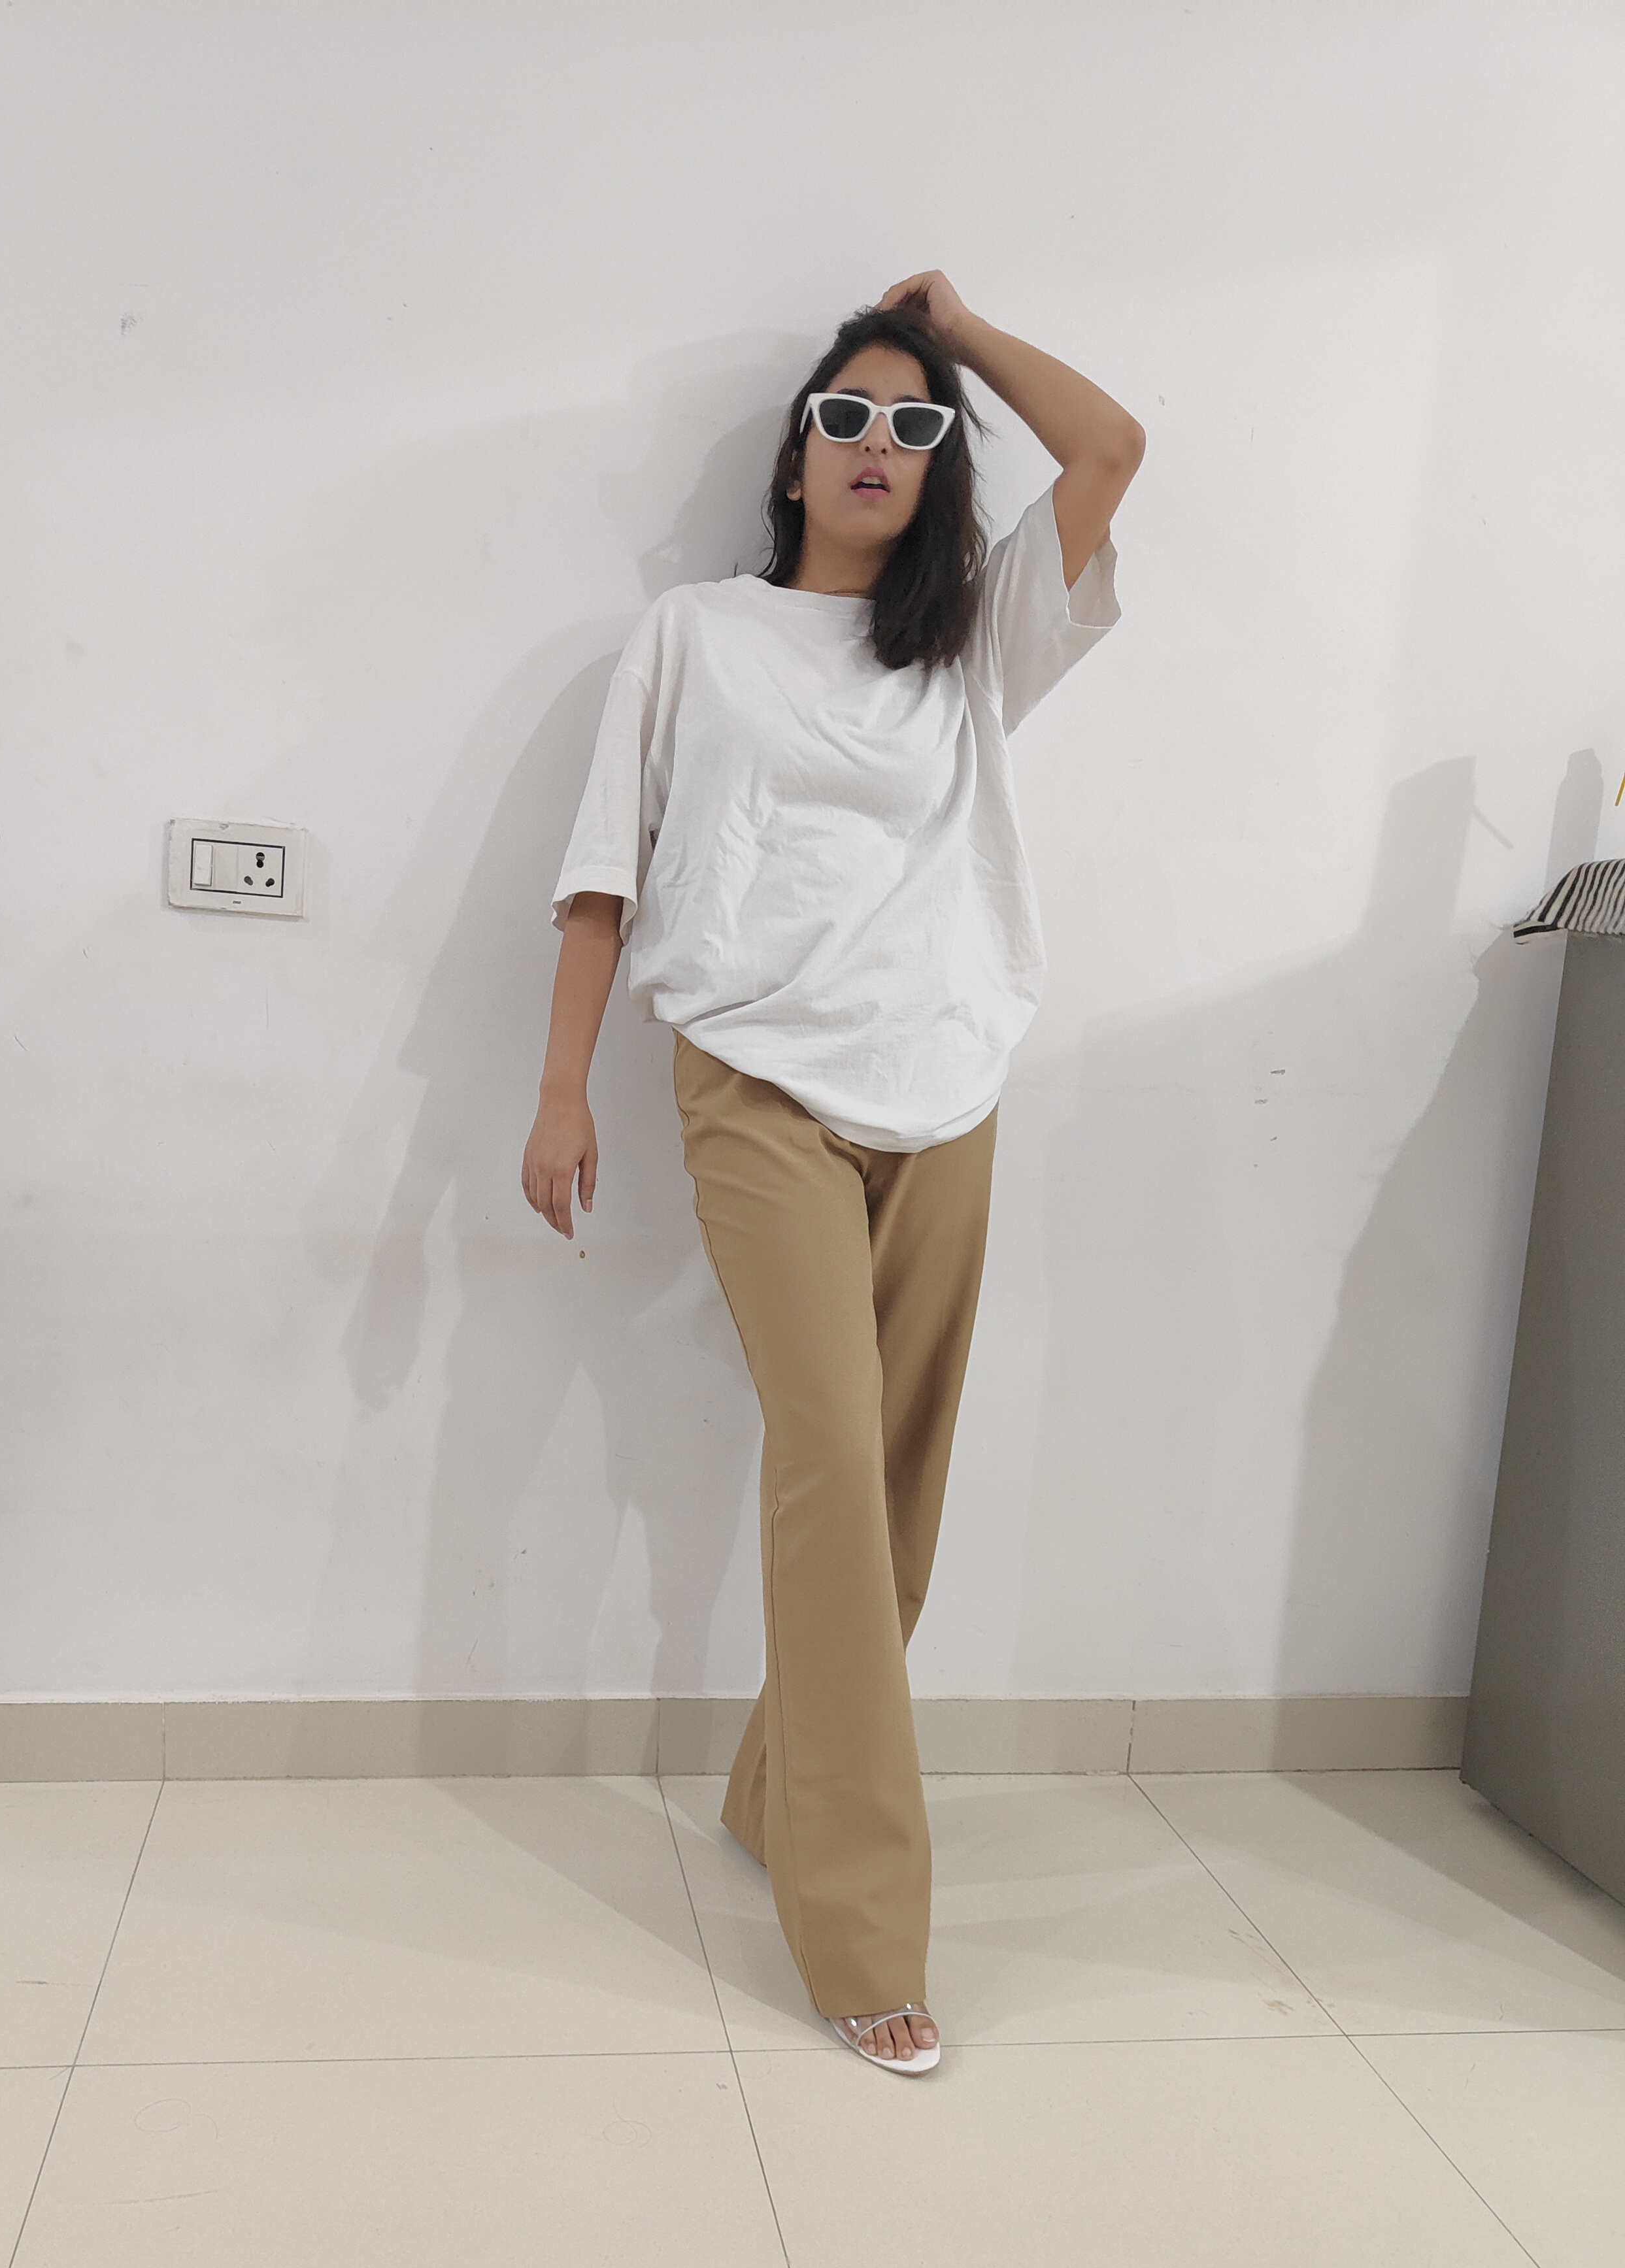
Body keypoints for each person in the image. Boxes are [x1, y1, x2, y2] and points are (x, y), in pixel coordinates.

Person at [521, 271, 1143, 2076]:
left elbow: (1112, 448)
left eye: (915, 423)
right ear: (796, 458)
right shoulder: (695, 635)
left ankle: (768, 1790)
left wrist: (959, 326)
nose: (880, 441)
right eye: (848, 415)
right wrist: (561, 1092)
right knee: (825, 1457)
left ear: (941, 466)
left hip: (945, 1083)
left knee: (896, 1485)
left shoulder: (974, 639)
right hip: (752, 1080)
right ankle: (862, 1929)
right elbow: (602, 874)